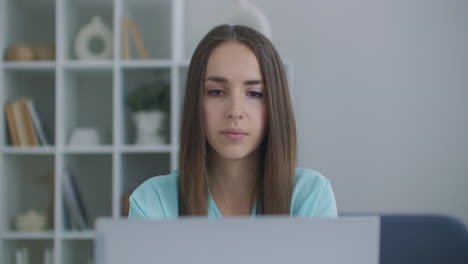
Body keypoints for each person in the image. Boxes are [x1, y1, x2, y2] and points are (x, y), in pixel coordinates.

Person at [129, 24, 337, 219]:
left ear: (275, 105)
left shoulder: (311, 196)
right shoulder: (153, 202)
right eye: (216, 91)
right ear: (195, 103)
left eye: (255, 93)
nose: (235, 111)